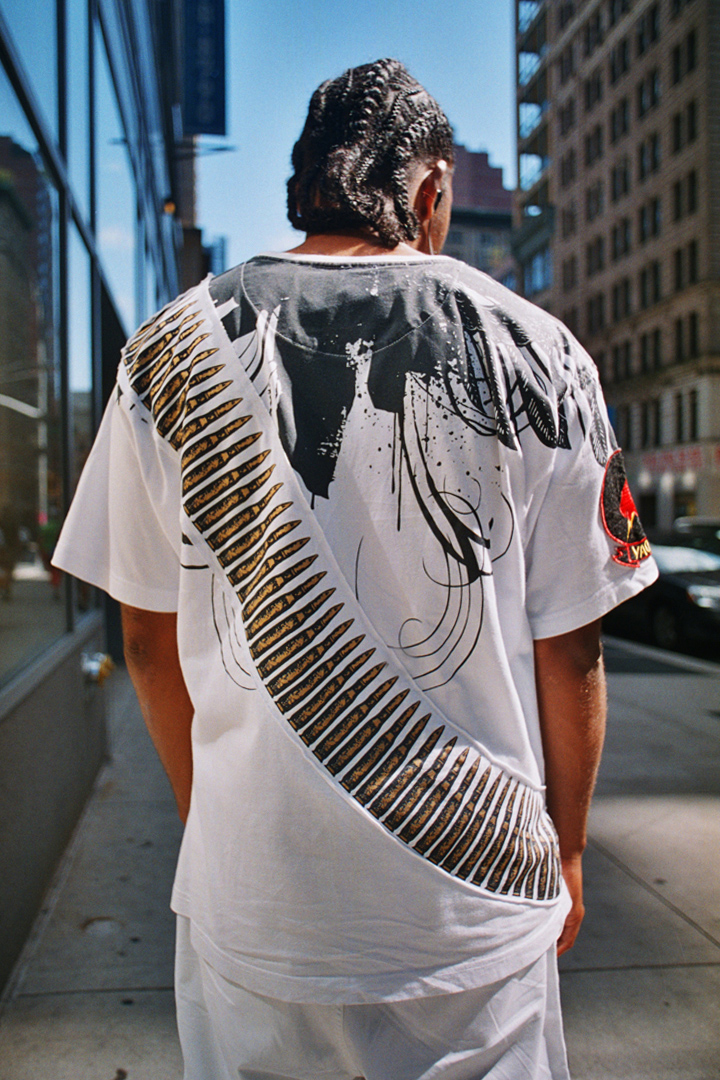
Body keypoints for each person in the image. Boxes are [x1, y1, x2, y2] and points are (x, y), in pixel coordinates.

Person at [53, 59, 657, 1080]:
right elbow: (572, 649)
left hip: (254, 904)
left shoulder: (165, 349)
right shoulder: (542, 351)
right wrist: (568, 849)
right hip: (474, 905)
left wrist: (213, 824)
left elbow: (146, 642)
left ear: (308, 182)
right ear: (431, 191)